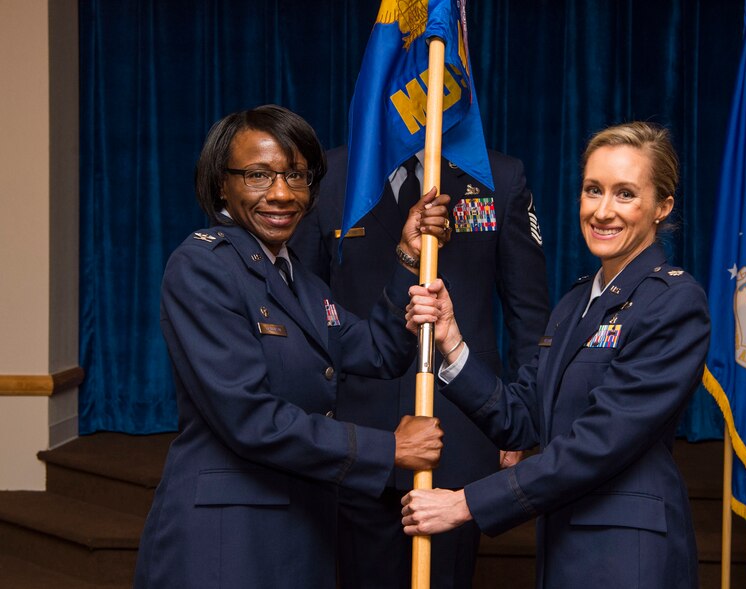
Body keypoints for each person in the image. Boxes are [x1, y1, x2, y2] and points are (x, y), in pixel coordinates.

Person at [134, 104, 452, 589]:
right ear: (223, 183)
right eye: (258, 176)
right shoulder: (203, 267)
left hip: (300, 529)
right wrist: (388, 448)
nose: (281, 194)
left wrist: (408, 254)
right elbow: (250, 418)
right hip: (228, 539)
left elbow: (376, 351)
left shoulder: (300, 281)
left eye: (297, 176)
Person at [402, 122, 711, 588]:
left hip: (629, 556)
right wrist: (451, 339)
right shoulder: (575, 303)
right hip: (565, 545)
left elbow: (600, 441)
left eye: (625, 194)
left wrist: (465, 503)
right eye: (593, 190)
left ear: (661, 208)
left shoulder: (674, 301)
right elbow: (522, 418)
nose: (603, 211)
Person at [290, 146, 550, 588]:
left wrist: (521, 419)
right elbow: (303, 306)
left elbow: (529, 312)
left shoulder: (498, 177)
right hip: (358, 426)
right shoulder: (330, 175)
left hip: (463, 426)